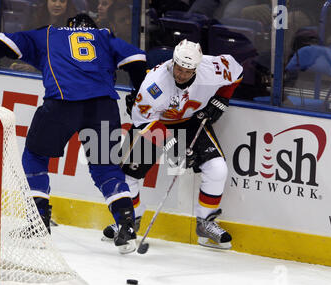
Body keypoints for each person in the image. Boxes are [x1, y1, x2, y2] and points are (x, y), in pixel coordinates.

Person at [0, 13, 147, 254]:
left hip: (63, 105)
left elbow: (4, 42)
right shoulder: (103, 36)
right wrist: (139, 93)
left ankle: (38, 224)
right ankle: (127, 227)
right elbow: (137, 57)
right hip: (103, 108)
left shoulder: (49, 33)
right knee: (106, 168)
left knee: (35, 156)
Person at [102, 39, 243, 250]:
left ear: (196, 66)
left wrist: (222, 99)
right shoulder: (155, 84)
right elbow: (142, 121)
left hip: (190, 121)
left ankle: (206, 223)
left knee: (217, 168)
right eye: (179, 68)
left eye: (188, 71)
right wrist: (174, 150)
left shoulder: (211, 68)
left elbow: (237, 71)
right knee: (127, 174)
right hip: (155, 125)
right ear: (173, 61)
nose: (181, 74)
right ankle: (130, 220)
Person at [8, 0, 78, 73]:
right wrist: (15, 64)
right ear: (47, 2)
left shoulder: (72, 28)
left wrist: (36, 68)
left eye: (62, 1)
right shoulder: (34, 21)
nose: (57, 4)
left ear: (67, 4)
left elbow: (67, 62)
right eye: (53, 0)